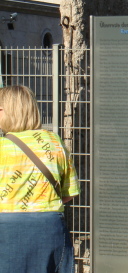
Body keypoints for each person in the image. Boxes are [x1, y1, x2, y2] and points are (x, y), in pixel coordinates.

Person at [0, 85, 81, 273]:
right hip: (49, 227)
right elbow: (70, 192)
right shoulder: (54, 142)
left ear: (10, 110)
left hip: (6, 228)